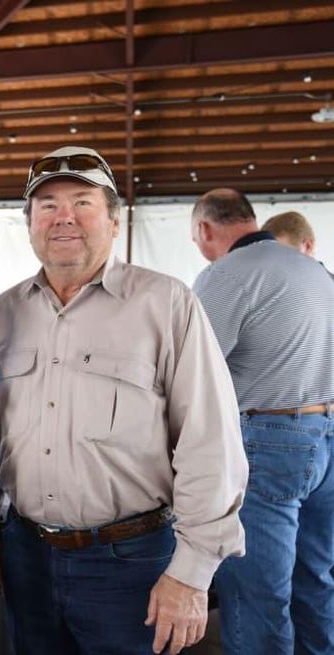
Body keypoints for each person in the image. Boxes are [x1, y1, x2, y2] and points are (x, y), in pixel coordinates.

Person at [0, 146, 247, 655]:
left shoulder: (165, 303)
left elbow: (210, 442)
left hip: (132, 561)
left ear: (115, 221)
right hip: (26, 557)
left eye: (82, 202)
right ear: (30, 222)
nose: (64, 218)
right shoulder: (4, 312)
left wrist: (191, 574)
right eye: (47, 205)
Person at [191, 189, 334, 655]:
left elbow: (192, 370)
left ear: (205, 230)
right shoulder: (316, 271)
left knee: (257, 593)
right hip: (328, 436)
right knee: (315, 581)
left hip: (271, 441)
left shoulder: (225, 274)